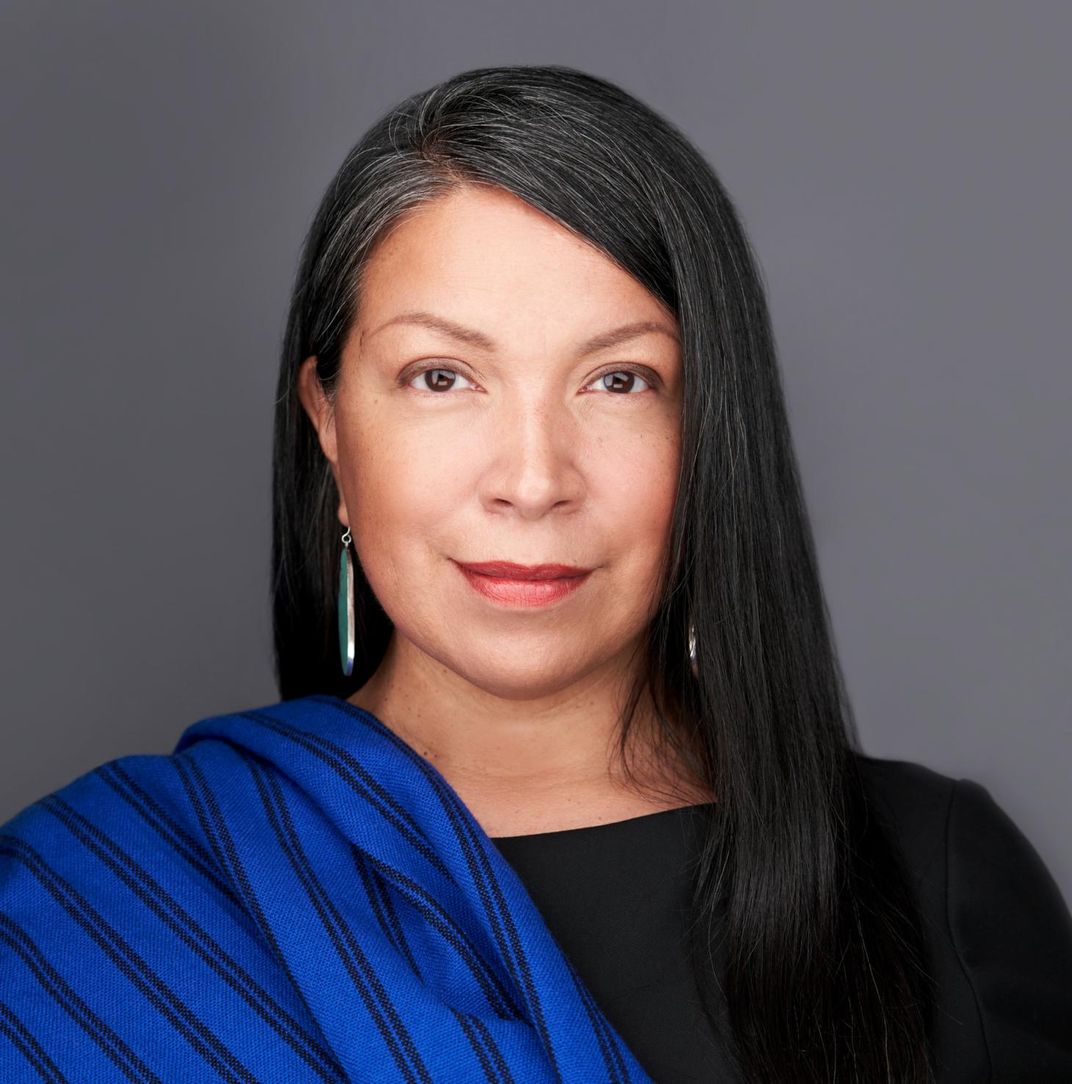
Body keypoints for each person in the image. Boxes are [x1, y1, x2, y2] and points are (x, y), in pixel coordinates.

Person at [1, 63, 1070, 1084]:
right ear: (328, 417)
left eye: (617, 379)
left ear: (710, 431)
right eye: (441, 375)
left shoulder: (928, 883)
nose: (530, 479)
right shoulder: (86, 904)